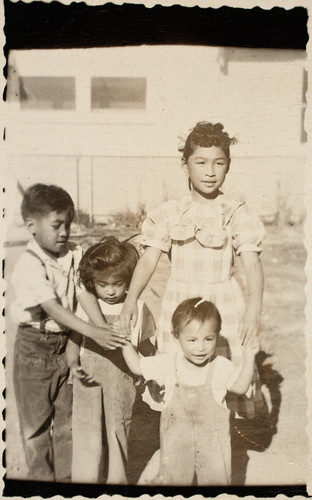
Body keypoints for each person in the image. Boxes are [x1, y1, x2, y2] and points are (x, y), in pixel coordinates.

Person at [119, 121, 264, 418]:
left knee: (224, 376)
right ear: (185, 165)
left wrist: (254, 310)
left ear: (228, 166)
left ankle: (221, 448)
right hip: (179, 303)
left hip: (225, 304)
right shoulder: (171, 212)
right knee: (181, 381)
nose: (210, 171)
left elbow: (252, 263)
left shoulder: (235, 212)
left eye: (218, 163)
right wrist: (131, 299)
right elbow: (149, 259)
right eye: (200, 162)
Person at [10, 184, 126, 482]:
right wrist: (92, 330)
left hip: (66, 346)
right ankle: (40, 481)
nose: (64, 232)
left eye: (68, 224)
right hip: (35, 348)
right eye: (56, 225)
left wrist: (100, 326)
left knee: (66, 423)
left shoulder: (74, 254)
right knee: (36, 426)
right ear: (31, 226)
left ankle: (65, 483)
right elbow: (52, 307)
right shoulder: (29, 265)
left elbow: (84, 292)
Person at [122, 297, 258, 485]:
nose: (200, 348)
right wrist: (124, 341)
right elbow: (137, 366)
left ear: (217, 336)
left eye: (208, 339)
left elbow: (241, 387)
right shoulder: (169, 363)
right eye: (192, 340)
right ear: (177, 336)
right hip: (176, 445)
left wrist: (249, 357)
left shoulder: (221, 366)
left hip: (213, 448)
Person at [66, 237, 156, 484]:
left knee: (119, 427)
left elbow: (147, 344)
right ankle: (86, 481)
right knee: (87, 428)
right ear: (92, 283)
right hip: (88, 380)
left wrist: (152, 374)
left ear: (129, 281)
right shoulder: (87, 307)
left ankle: (118, 482)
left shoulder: (138, 307)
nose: (111, 291)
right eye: (102, 284)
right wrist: (72, 364)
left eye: (118, 284)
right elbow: (76, 336)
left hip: (122, 382)